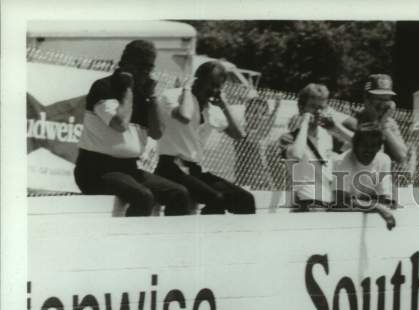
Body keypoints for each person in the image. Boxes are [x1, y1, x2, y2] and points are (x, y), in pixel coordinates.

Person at [74, 40, 190, 216]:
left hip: (128, 169)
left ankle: (169, 241)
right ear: (126, 65)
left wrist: (152, 97)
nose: (146, 72)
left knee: (179, 193)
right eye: (142, 66)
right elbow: (120, 124)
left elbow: (157, 133)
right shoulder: (104, 87)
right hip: (96, 170)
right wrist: (128, 87)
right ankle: (130, 242)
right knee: (143, 197)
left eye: (150, 68)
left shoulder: (144, 95)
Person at [154, 60, 255, 214]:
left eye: (218, 87)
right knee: (216, 198)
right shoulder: (174, 96)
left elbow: (239, 135)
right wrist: (187, 89)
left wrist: (223, 105)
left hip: (194, 169)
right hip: (170, 167)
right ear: (198, 80)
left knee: (245, 199)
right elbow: (185, 116)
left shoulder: (212, 110)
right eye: (211, 84)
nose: (214, 90)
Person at [279, 83, 352, 207]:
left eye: (321, 107)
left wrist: (335, 126)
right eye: (313, 107)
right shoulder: (289, 137)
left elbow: (360, 143)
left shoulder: (327, 135)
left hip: (330, 197)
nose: (318, 112)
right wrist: (305, 121)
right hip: (307, 198)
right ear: (301, 107)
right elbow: (297, 154)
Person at [329, 124, 396, 230]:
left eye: (373, 145)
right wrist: (376, 206)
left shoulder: (384, 160)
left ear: (379, 147)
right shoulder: (341, 161)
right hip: (340, 222)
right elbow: (340, 203)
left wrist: (358, 202)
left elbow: (385, 201)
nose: (368, 150)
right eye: (364, 145)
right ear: (355, 145)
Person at [340, 74, 408, 164]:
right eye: (379, 99)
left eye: (386, 99)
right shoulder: (352, 121)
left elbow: (402, 157)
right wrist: (374, 121)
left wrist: (383, 126)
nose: (383, 104)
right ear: (366, 99)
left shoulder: (389, 124)